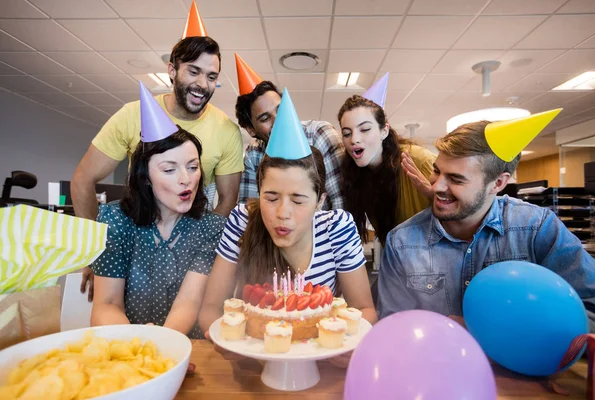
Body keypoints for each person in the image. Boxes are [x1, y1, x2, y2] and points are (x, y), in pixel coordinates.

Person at [377, 113, 595, 333]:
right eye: (437, 171)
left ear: (498, 183)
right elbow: (392, 328)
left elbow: (594, 308)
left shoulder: (536, 229)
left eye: (456, 179)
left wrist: (500, 330)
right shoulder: (402, 242)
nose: (435, 187)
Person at [73, 36, 243, 300]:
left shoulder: (226, 131)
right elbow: (83, 178)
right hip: (133, 249)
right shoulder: (132, 115)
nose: (202, 84)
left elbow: (228, 200)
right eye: (193, 71)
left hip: (191, 252)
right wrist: (93, 253)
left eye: (211, 76)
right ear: (172, 70)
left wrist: (200, 251)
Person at [198, 90, 377, 338]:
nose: (283, 213)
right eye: (271, 198)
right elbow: (210, 309)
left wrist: (339, 342)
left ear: (319, 202)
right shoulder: (242, 221)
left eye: (298, 200)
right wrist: (227, 340)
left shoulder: (337, 227)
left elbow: (365, 310)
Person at [90, 84, 225, 339]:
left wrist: (162, 346)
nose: (186, 179)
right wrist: (137, 343)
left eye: (192, 167)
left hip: (187, 350)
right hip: (127, 349)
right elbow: (106, 304)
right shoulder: (115, 220)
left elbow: (189, 302)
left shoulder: (211, 227)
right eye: (169, 169)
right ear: (146, 178)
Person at [234, 54, 345, 210]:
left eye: (280, 109)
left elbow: (342, 204)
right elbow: (250, 211)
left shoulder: (321, 134)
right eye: (265, 118)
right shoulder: (254, 154)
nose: (278, 121)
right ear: (251, 129)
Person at [337, 92, 436, 246]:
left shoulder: (420, 161)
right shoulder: (357, 177)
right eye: (347, 133)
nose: (354, 139)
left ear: (384, 131)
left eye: (364, 130)